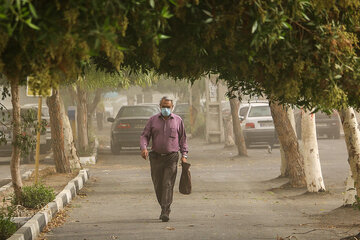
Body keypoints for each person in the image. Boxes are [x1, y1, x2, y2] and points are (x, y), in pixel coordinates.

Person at [140, 96, 188, 222]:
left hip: (171, 157)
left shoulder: (178, 120)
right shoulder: (153, 120)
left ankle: (165, 210)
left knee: (167, 184)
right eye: (163, 106)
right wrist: (144, 148)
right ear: (159, 106)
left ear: (172, 107)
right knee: (158, 184)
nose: (166, 109)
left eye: (168, 107)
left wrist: (184, 156)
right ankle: (163, 205)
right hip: (156, 157)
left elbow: (183, 139)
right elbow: (145, 136)